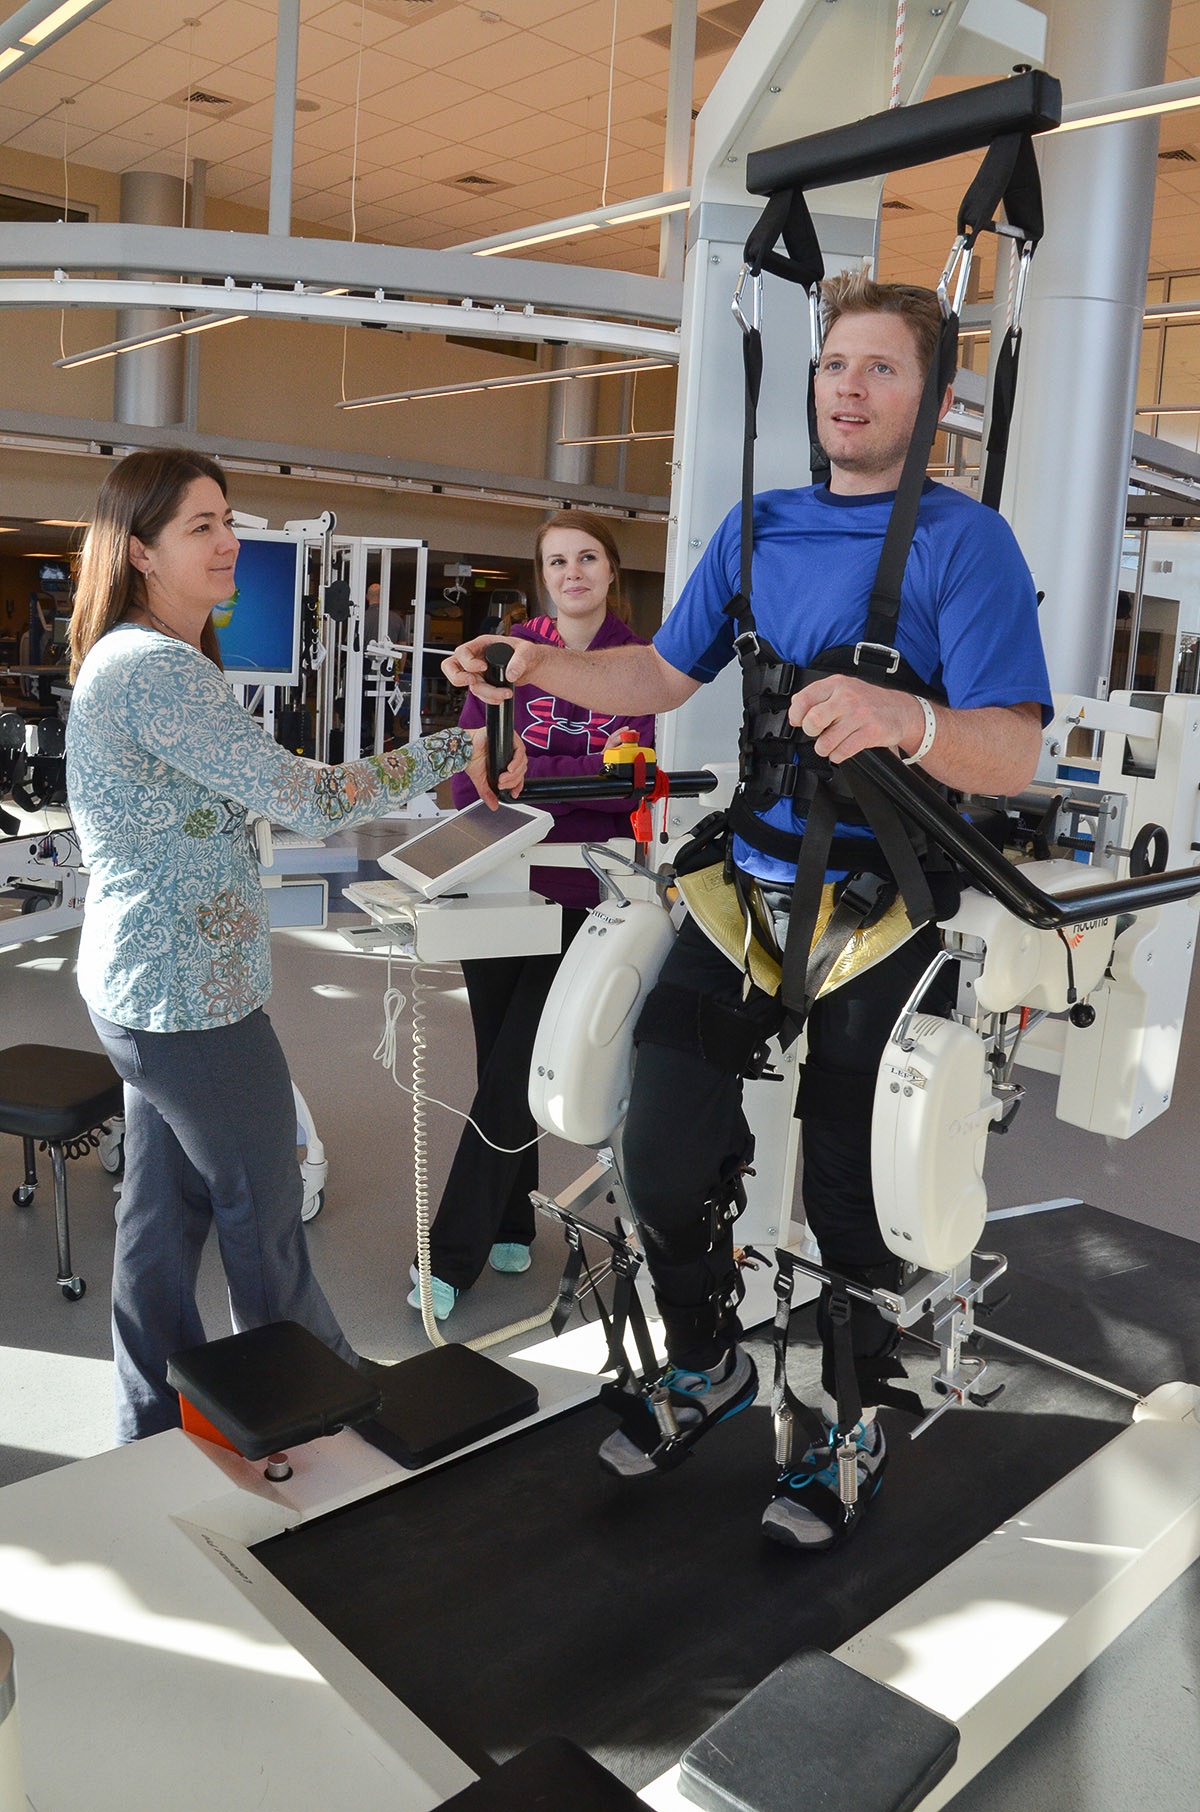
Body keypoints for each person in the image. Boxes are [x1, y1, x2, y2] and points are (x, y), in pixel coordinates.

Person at [442, 272, 1053, 1549]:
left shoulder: (966, 544)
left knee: (848, 1192)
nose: (849, 385)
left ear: (931, 399)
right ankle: (711, 1358)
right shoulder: (757, 528)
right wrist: (542, 661)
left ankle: (848, 1416)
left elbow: (1012, 752)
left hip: (884, 905)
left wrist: (913, 720)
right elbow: (663, 672)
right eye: (837, 363)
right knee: (656, 1152)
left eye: (882, 368)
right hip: (744, 889)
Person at [66, 448, 525, 1442]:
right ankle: (330, 1417)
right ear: (140, 551)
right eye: (202, 526)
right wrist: (457, 748)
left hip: (149, 991)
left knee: (160, 1225)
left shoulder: (147, 661)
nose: (230, 541)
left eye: (230, 519)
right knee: (264, 1226)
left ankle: (148, 1430)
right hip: (190, 1004)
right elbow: (308, 797)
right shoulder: (154, 671)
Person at [410, 510, 654, 1319]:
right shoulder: (505, 655)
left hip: (583, 894)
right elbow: (470, 774)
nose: (572, 571)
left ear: (611, 570)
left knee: (517, 1068)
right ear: (542, 574)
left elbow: (629, 776)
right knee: (497, 1067)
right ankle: (513, 1213)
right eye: (556, 560)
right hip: (498, 883)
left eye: (587, 557)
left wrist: (538, 770)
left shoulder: (638, 665)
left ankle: (450, 1256)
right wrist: (525, 772)